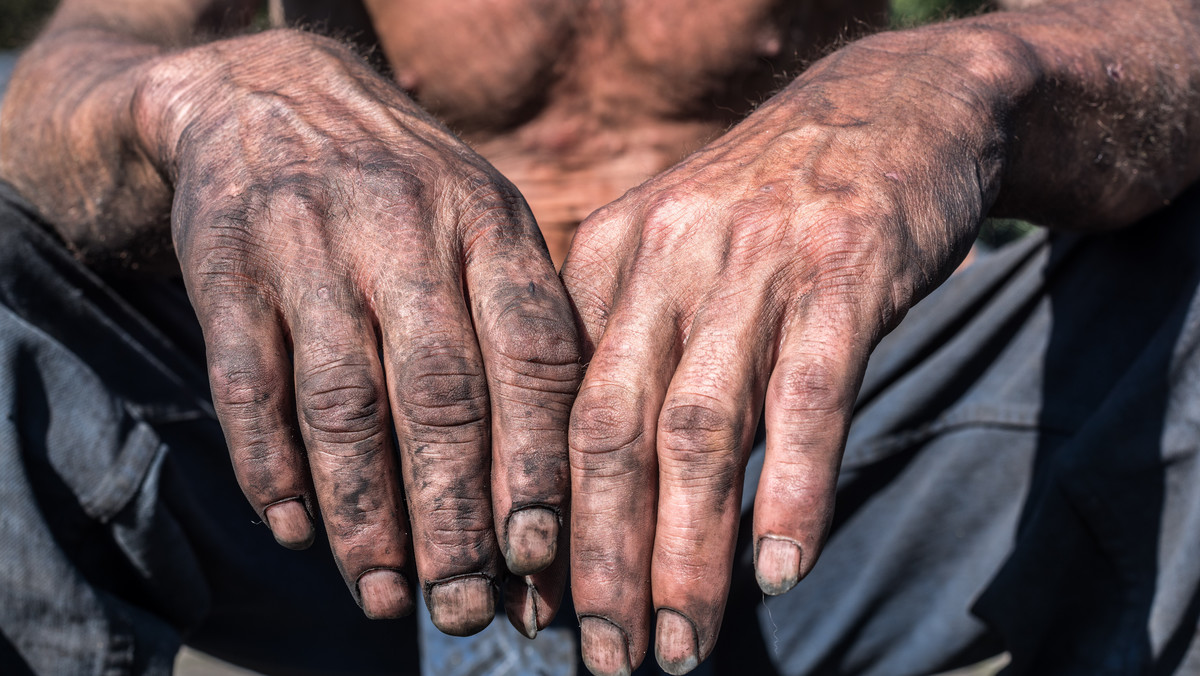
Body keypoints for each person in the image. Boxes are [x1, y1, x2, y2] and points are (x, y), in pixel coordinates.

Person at [1, 0, 1199, 674]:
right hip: (347, 470)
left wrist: (970, 71)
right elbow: (65, 76)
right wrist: (213, 93)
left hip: (815, 452)